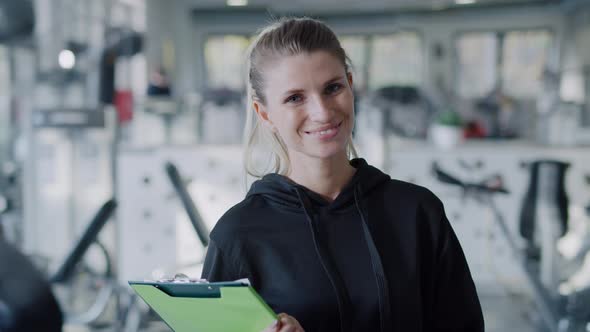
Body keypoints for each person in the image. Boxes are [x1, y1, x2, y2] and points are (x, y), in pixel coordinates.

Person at [201, 17, 484, 332]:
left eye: (332, 88)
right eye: (295, 98)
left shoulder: (418, 213)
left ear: (351, 85)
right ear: (265, 114)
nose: (322, 112)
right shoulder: (238, 235)